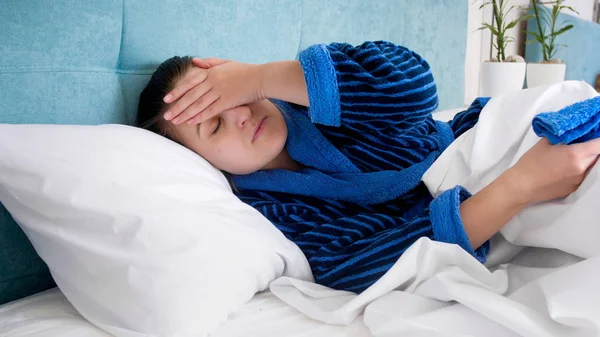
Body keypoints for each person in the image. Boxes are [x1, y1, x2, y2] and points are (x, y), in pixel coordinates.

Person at [136, 41, 600, 293]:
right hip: (493, 206)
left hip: (491, 137)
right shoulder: (273, 210)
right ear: (204, 164)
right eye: (215, 126)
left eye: (230, 94)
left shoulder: (312, 97)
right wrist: (519, 186)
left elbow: (414, 84)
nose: (238, 113)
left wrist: (262, 77)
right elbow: (359, 266)